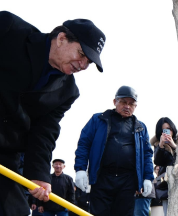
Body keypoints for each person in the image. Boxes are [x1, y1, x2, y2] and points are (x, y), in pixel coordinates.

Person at [0, 11, 106, 216]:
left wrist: (39, 174)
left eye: (89, 62)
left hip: (7, 155)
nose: (83, 66)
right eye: (82, 54)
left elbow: (44, 132)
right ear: (61, 39)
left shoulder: (68, 92)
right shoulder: (9, 29)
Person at [74, 85, 154, 216]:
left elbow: (147, 154)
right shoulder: (98, 120)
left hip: (127, 182)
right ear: (115, 102)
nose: (127, 106)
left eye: (131, 104)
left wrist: (148, 178)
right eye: (123, 102)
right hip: (102, 178)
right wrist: (80, 169)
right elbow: (84, 144)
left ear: (135, 107)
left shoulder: (141, 128)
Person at [152, 117, 178, 216]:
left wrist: (174, 145)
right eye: (164, 130)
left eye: (169, 129)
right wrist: (161, 145)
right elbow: (158, 161)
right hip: (166, 186)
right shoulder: (158, 145)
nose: (168, 132)